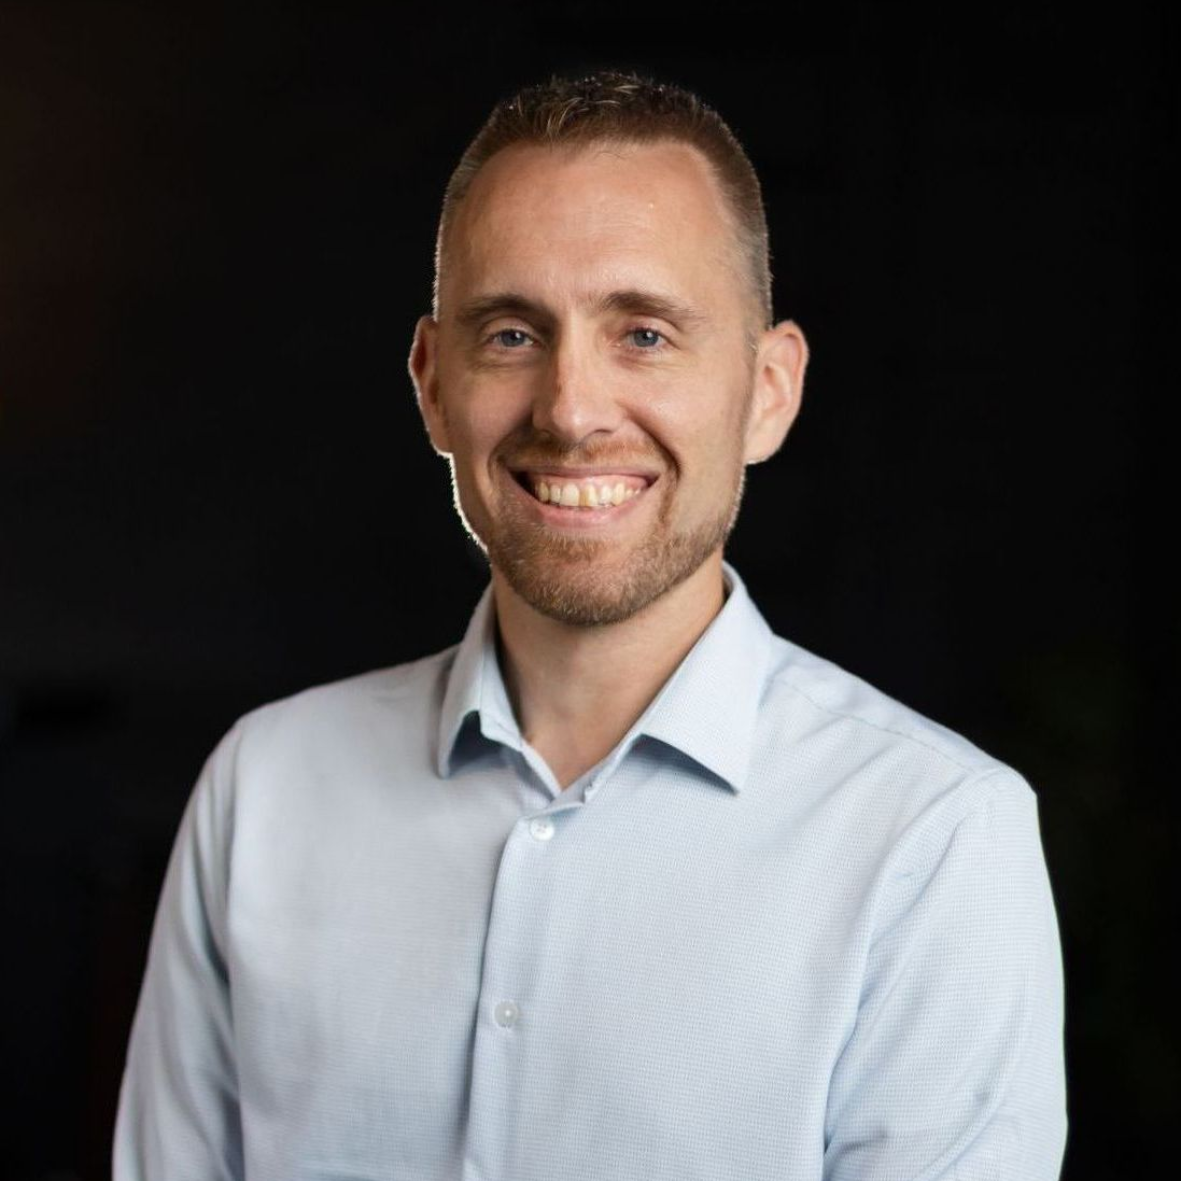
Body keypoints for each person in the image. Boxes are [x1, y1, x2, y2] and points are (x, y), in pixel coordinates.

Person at [113, 70, 1067, 1180]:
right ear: (431, 383)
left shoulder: (933, 840)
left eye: (645, 334)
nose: (569, 410)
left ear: (767, 389)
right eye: (512, 333)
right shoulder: (262, 791)